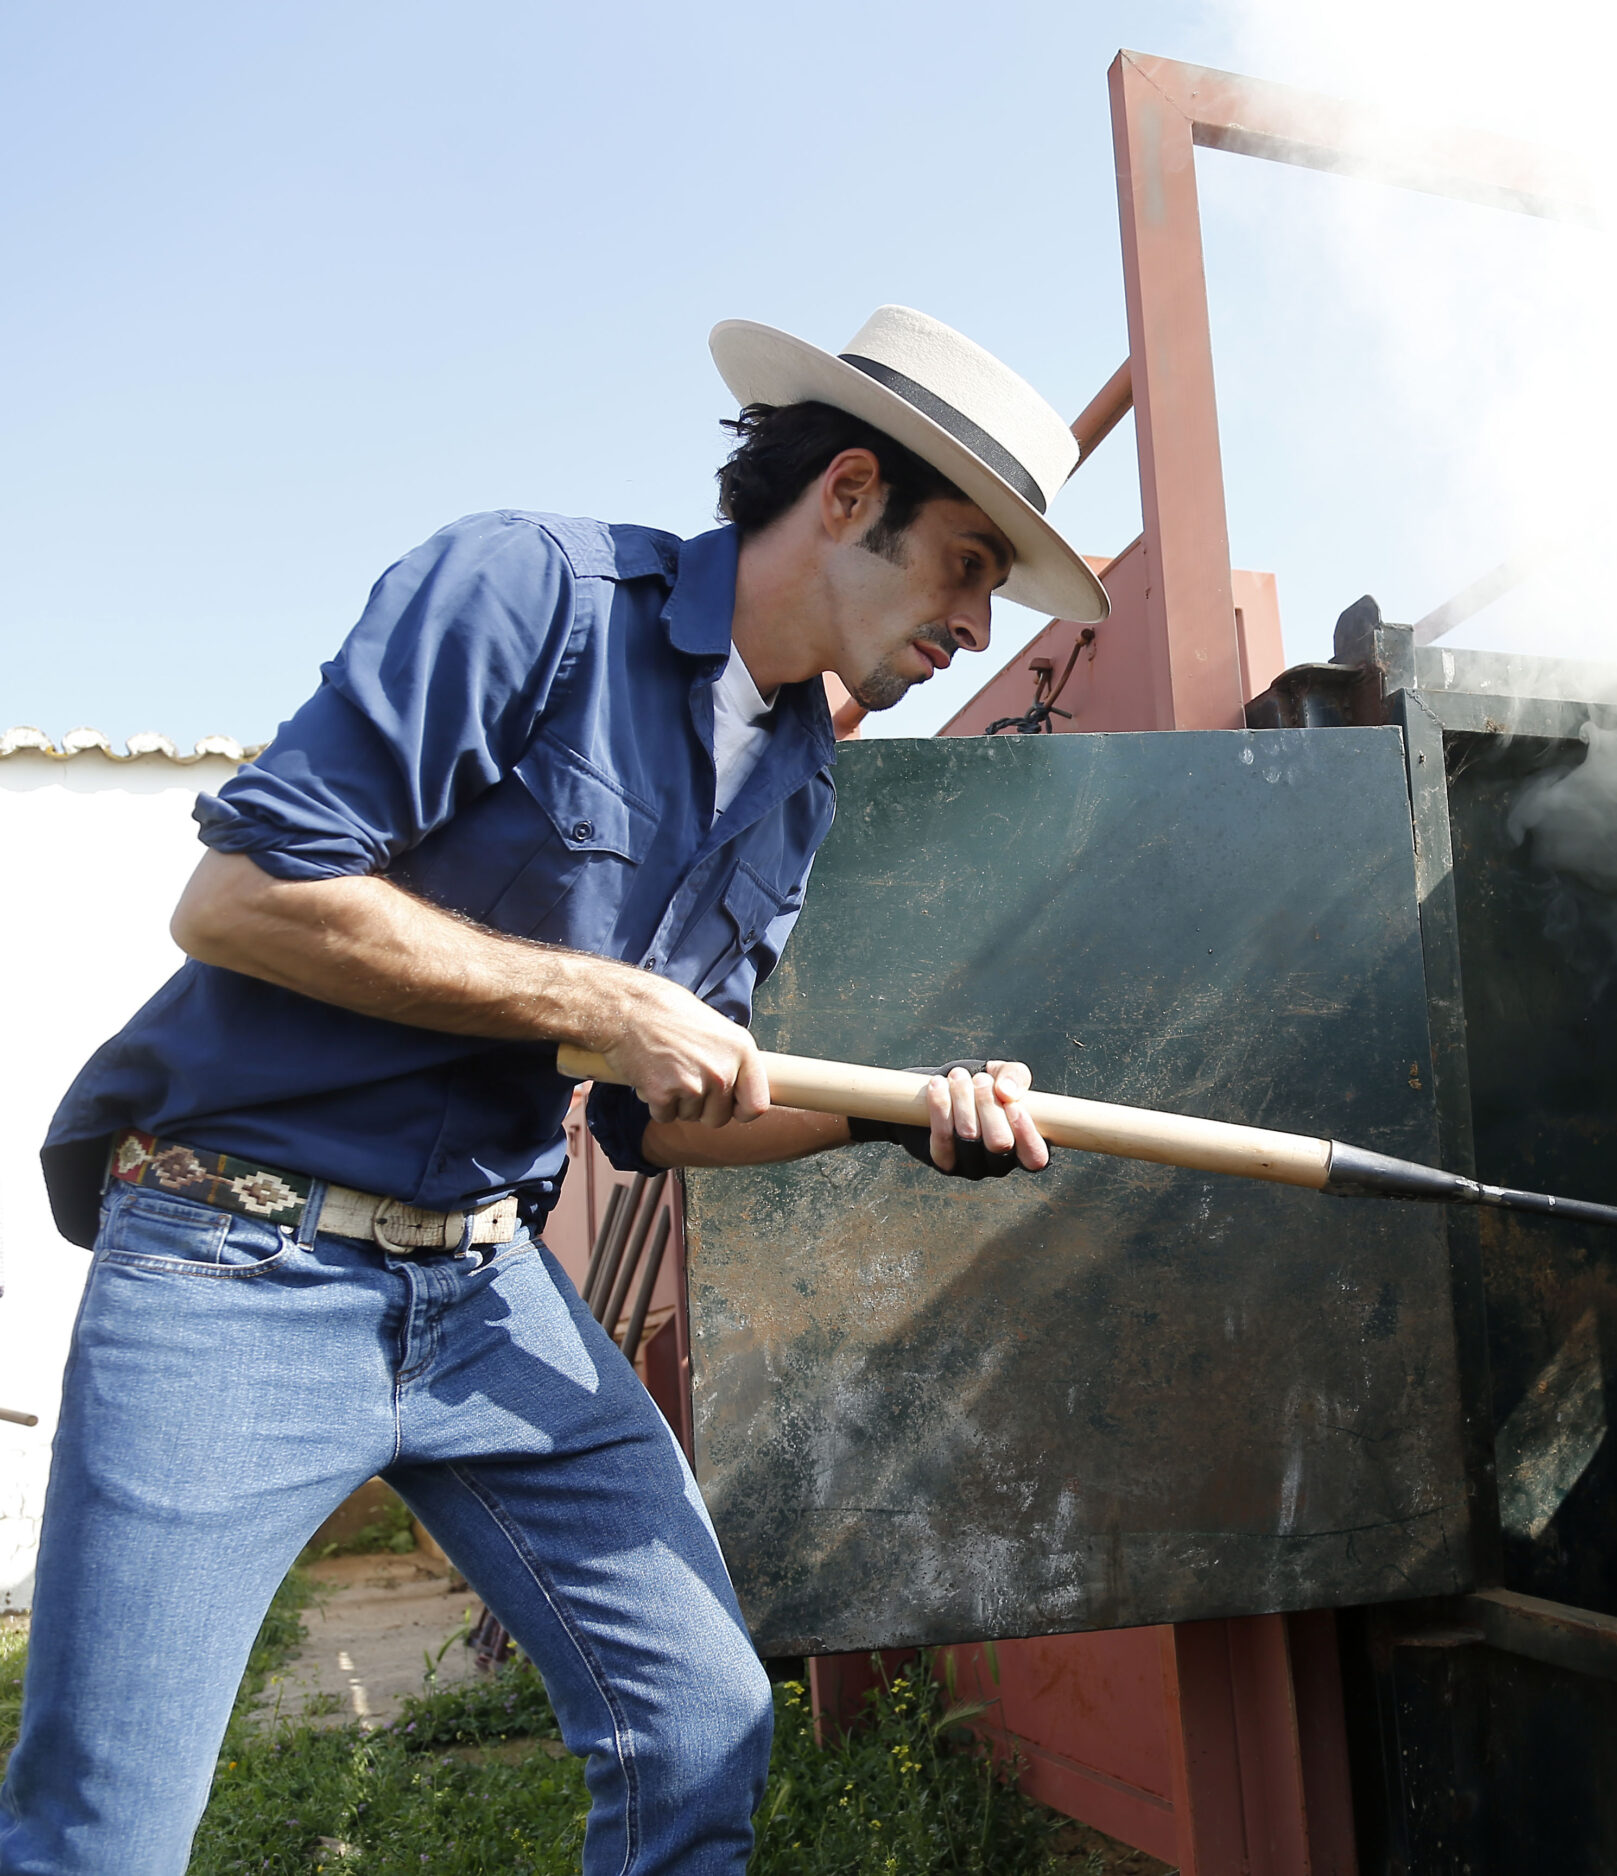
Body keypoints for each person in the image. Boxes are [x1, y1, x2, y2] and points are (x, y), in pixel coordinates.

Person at [3, 306, 1107, 1876]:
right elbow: (242, 897)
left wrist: (898, 1117)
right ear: (853, 493)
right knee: (100, 1835)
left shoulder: (797, 781)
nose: (979, 630)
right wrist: (593, 992)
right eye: (970, 568)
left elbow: (653, 1120)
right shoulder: (532, 591)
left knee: (702, 1725)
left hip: (484, 1284)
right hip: (240, 1252)